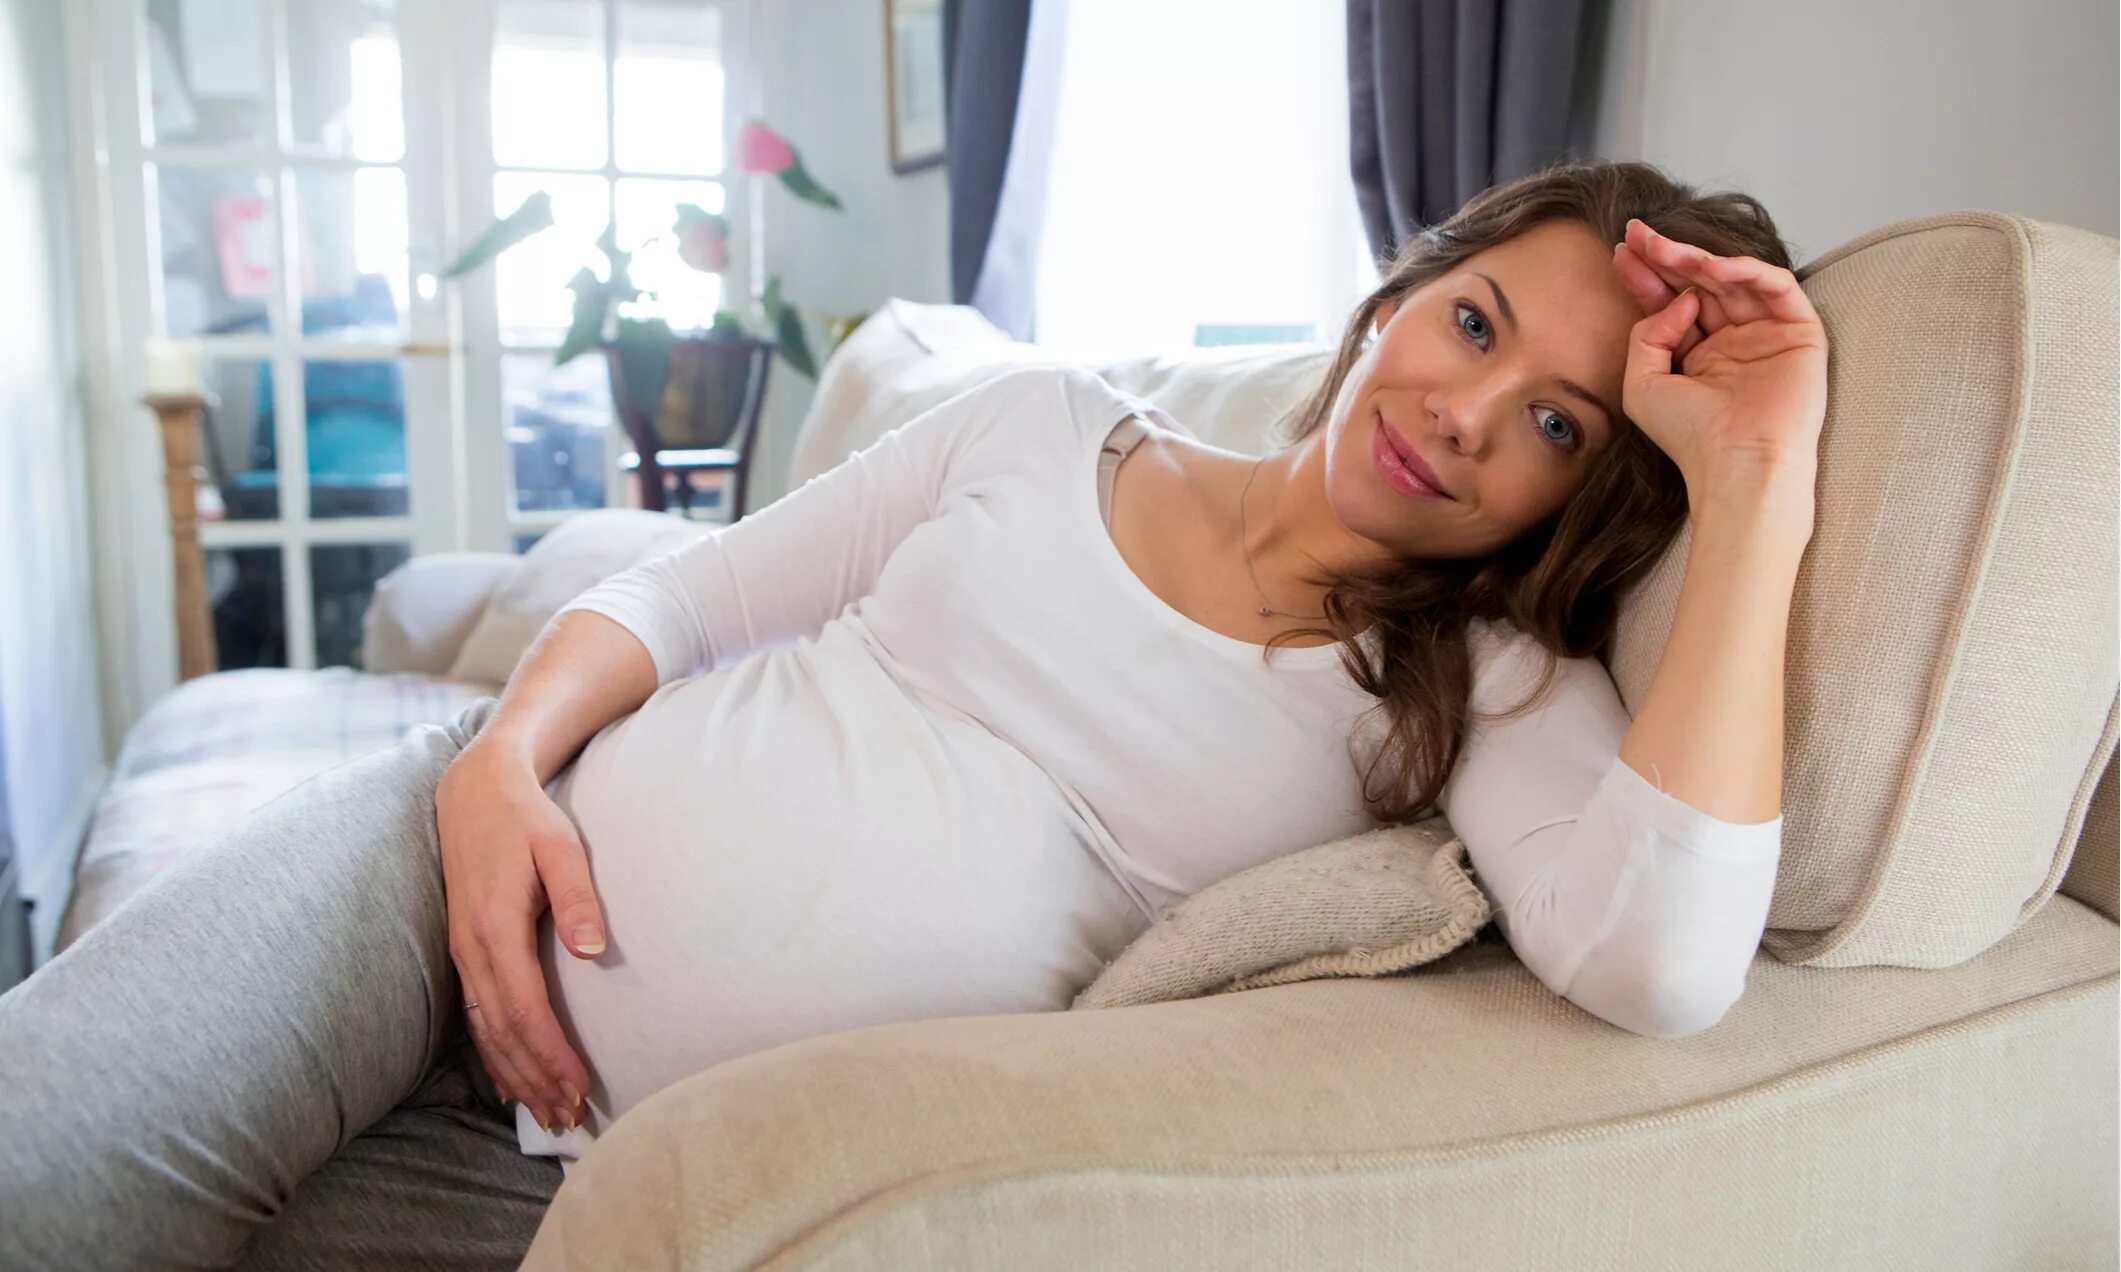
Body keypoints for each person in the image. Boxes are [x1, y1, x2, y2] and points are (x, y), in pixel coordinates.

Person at [0, 157, 1826, 1268]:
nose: (1467, 415)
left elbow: (1660, 966)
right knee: (42, 1168)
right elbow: (691, 592)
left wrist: (1755, 485)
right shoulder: (1044, 423)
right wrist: (498, 760)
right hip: (419, 891)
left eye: (1561, 430)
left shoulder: (1483, 691)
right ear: (1410, 287)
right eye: (1479, 326)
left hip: (632, 1184)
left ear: (1581, 501)